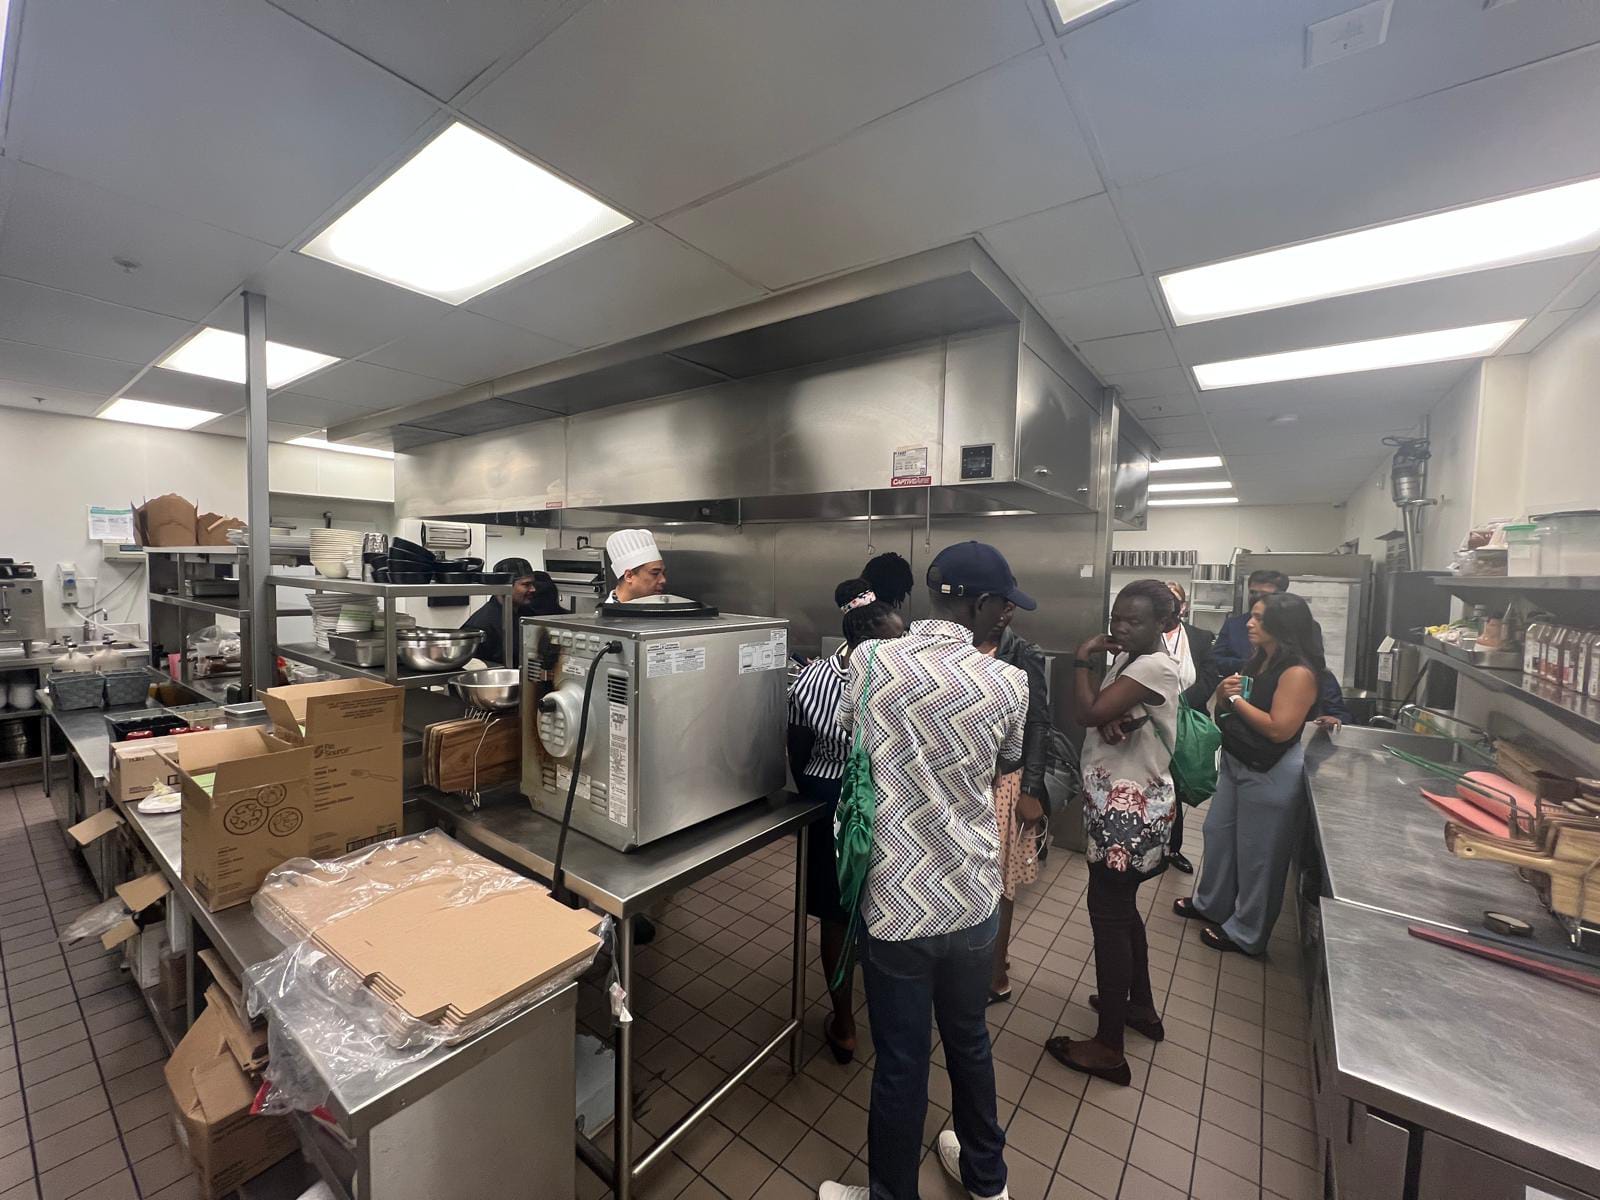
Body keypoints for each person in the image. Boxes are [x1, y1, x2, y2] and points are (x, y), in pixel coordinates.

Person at [819, 541, 1031, 1200]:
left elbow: (850, 734)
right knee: (969, 1040)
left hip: (896, 902)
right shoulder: (1009, 682)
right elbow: (1005, 764)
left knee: (902, 1059)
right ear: (979, 602)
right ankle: (987, 1181)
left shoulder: (870, 660)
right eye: (1004, 604)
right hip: (971, 895)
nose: (1007, 616)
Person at [1043, 580, 1182, 1087]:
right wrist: (1113, 716)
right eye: (1116, 618)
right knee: (1123, 913)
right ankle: (1139, 1007)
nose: (1120, 627)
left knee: (1108, 917)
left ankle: (1108, 1047)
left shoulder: (1152, 666)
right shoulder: (1134, 661)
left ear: (1164, 624)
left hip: (1130, 813)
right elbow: (1106, 713)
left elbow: (1086, 711)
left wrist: (1083, 659)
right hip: (1127, 805)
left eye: (1133, 621)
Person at [788, 581, 905, 1064]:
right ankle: (872, 1012)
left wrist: (814, 793)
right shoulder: (900, 682)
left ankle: (844, 1023)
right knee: (882, 905)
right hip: (883, 800)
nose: (905, 644)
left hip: (826, 795)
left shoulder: (811, 678)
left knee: (836, 913)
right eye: (898, 637)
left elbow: (797, 743)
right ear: (872, 642)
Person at [1175, 593, 1322, 956]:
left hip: (1270, 769)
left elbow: (1278, 729)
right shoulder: (1260, 661)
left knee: (1259, 853)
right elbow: (1231, 703)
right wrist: (1224, 695)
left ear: (1282, 626)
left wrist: (1235, 701)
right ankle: (1212, 904)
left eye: (1259, 618)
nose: (1250, 624)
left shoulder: (1298, 672)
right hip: (1237, 759)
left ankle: (1247, 932)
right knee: (1218, 834)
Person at [974, 600, 1049, 1005]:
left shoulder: (1023, 652)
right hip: (967, 776)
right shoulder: (960, 645)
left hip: (1006, 779)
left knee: (999, 880)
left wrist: (1031, 789)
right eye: (997, 605)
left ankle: (995, 972)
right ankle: (972, 960)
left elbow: (1038, 722)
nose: (1004, 615)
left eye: (1010, 608)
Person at [1164, 581, 1214, 875]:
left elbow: (1209, 677)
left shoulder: (1199, 637)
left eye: (1174, 600)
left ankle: (1173, 848)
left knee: (1178, 783)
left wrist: (1180, 702)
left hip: (1187, 719)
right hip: (1149, 721)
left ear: (1183, 606)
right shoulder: (1145, 633)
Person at [459, 558, 561, 667]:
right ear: (505, 586)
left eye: (532, 584)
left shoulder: (528, 614)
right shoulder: (481, 625)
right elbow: (472, 666)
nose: (533, 589)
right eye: (526, 585)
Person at [1210, 569, 1289, 676]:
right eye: (1253, 592)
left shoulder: (1292, 626)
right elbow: (1214, 661)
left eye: (1264, 594)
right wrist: (1249, 664)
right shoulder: (1233, 625)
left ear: (1280, 595)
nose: (1257, 597)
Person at [603, 528, 668, 602]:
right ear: (629, 576)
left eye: (663, 573)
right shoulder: (609, 610)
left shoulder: (658, 604)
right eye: (655, 573)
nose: (663, 580)